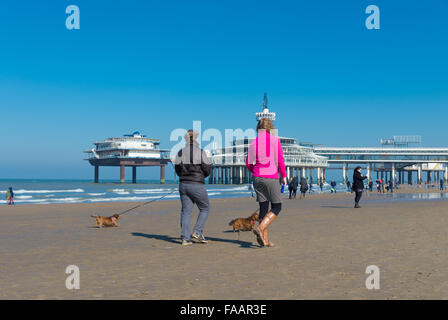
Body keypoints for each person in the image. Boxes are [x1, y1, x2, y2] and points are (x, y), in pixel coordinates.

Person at [246, 118, 286, 247]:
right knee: (277, 207)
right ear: (271, 128)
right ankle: (260, 228)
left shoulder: (254, 142)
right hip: (271, 176)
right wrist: (283, 175)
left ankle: (265, 240)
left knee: (264, 207)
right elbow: (280, 160)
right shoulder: (275, 140)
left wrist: (255, 171)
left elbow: (248, 163)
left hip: (257, 177)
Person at [174, 129, 211, 246]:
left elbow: (177, 169)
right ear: (196, 138)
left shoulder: (180, 152)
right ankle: (197, 232)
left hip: (183, 184)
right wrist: (201, 177)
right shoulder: (200, 152)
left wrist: (184, 177)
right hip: (197, 184)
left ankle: (185, 238)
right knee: (205, 208)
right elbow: (207, 169)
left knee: (186, 211)